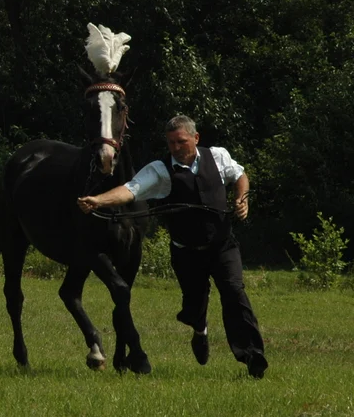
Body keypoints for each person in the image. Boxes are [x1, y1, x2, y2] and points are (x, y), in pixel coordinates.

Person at [76, 115, 268, 378]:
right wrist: (98, 200)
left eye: (181, 142)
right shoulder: (160, 170)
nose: (176, 148)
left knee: (234, 293)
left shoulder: (218, 157)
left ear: (196, 138)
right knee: (193, 307)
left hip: (223, 247)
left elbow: (240, 175)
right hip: (186, 253)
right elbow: (131, 189)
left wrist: (241, 198)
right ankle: (200, 329)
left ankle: (252, 356)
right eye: (171, 143)